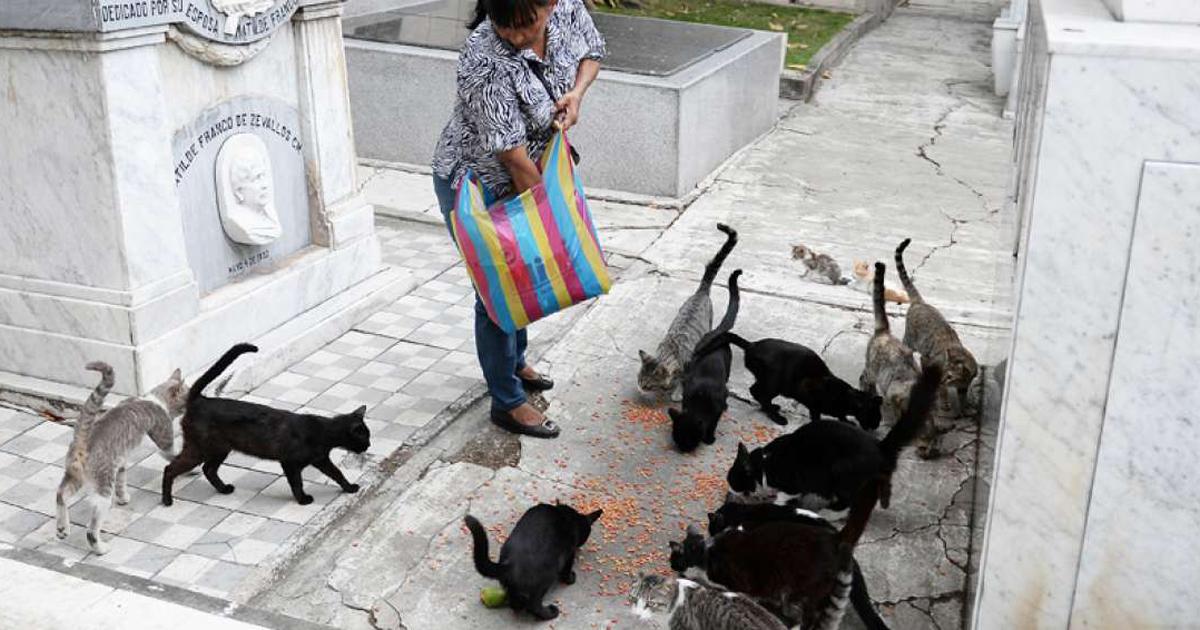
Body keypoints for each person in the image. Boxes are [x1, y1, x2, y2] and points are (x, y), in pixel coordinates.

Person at [431, 0, 606, 438]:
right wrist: (551, 222)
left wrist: (576, 95)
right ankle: (506, 402)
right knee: (498, 292)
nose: (515, 36)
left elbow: (593, 52)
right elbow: (510, 156)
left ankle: (515, 361)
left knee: (523, 274)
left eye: (526, 24)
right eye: (503, 24)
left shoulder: (565, 9)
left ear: (548, 5)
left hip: (533, 168)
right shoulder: (482, 58)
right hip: (478, 183)